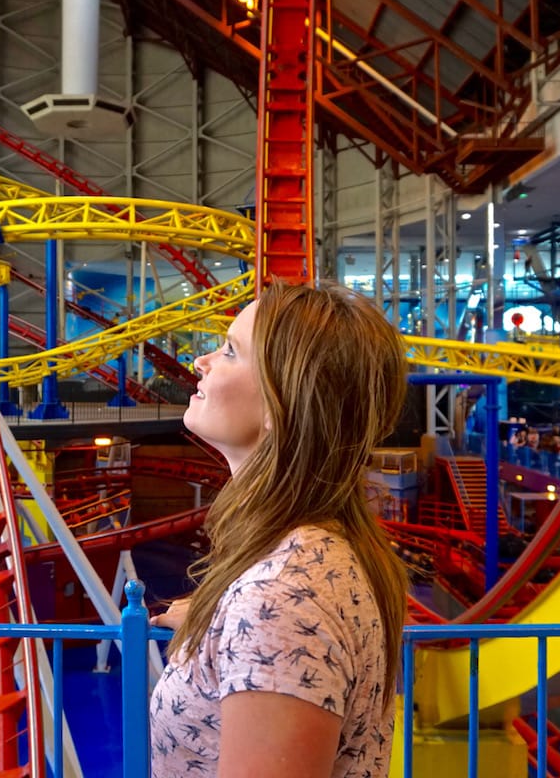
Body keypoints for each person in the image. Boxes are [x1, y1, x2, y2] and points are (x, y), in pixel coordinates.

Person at [148, 280, 411, 778]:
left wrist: (258, 619)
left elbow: (282, 622)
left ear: (278, 404)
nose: (202, 361)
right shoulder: (310, 554)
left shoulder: (282, 595)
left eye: (229, 351)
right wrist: (219, 629)